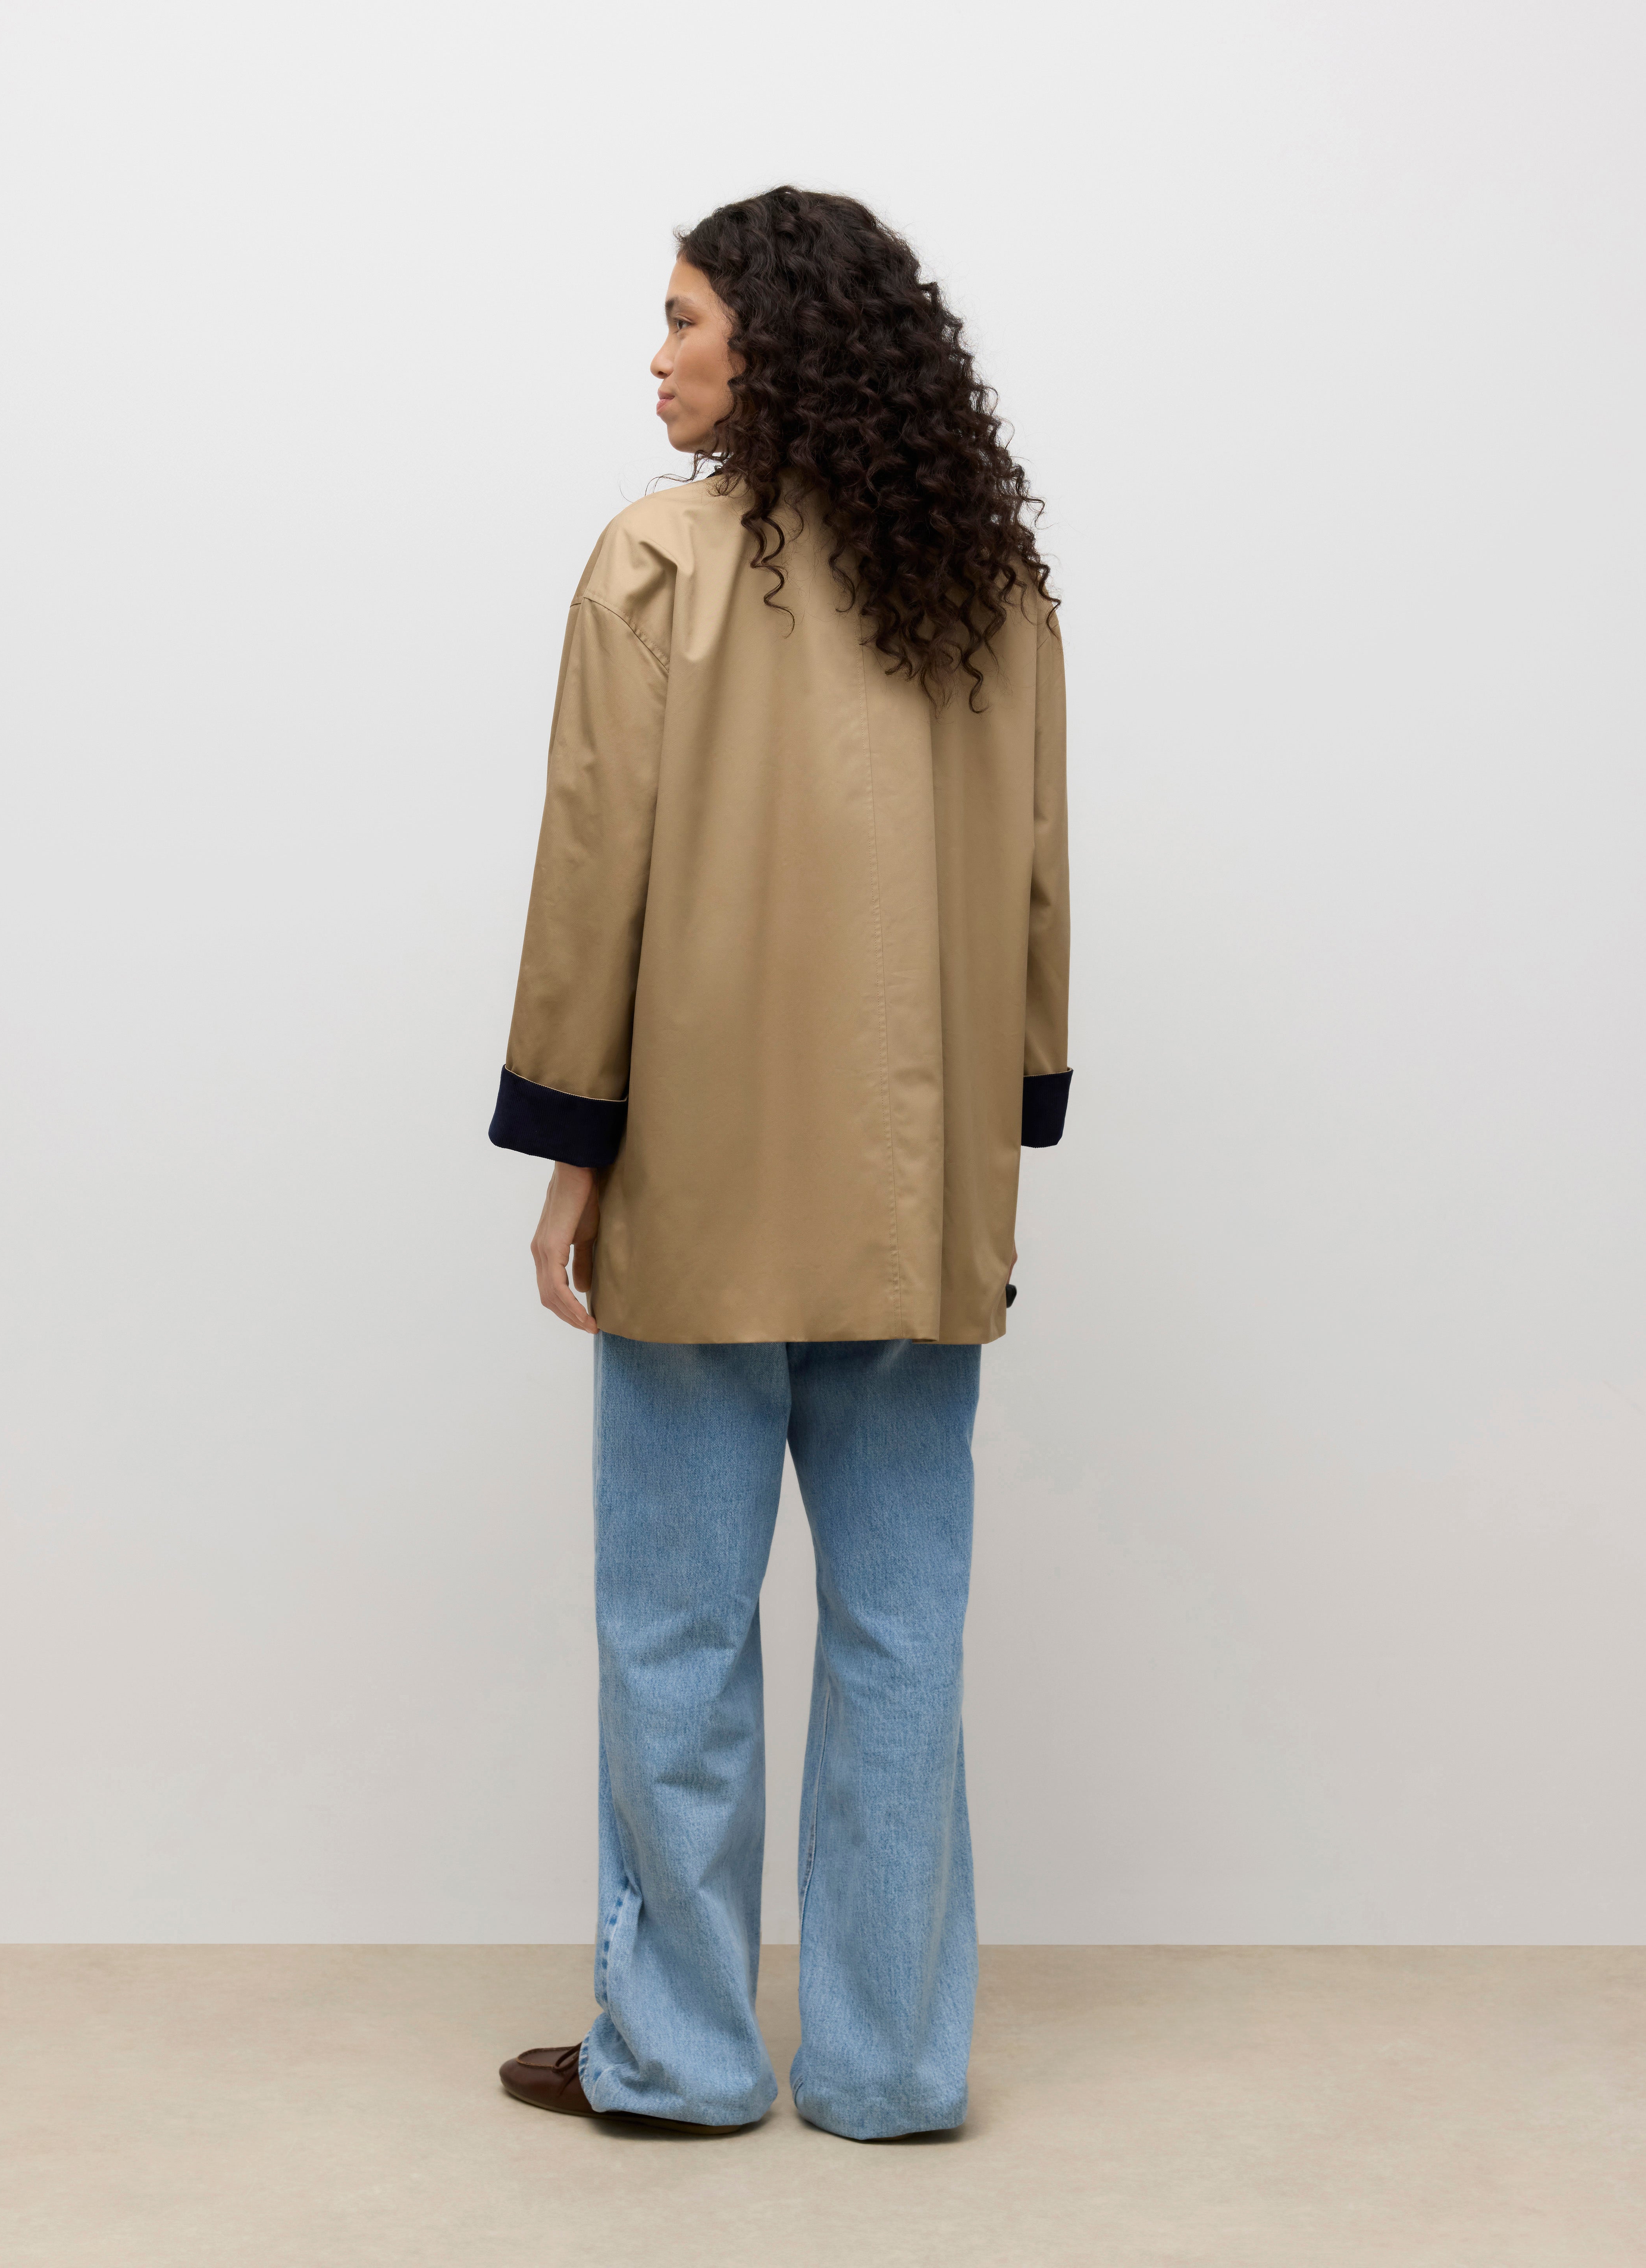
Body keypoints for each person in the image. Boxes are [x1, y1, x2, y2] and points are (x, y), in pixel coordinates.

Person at [488, 186, 1069, 2141]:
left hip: (704, 1176)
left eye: (684, 317)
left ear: (775, 344)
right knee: (904, 1631)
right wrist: (1012, 1115)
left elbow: (596, 872)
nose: (657, 354)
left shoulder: (656, 561)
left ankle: (679, 2053)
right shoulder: (988, 583)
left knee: (676, 1629)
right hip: (920, 1185)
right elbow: (1039, 875)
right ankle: (891, 2064)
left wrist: (568, 1144)